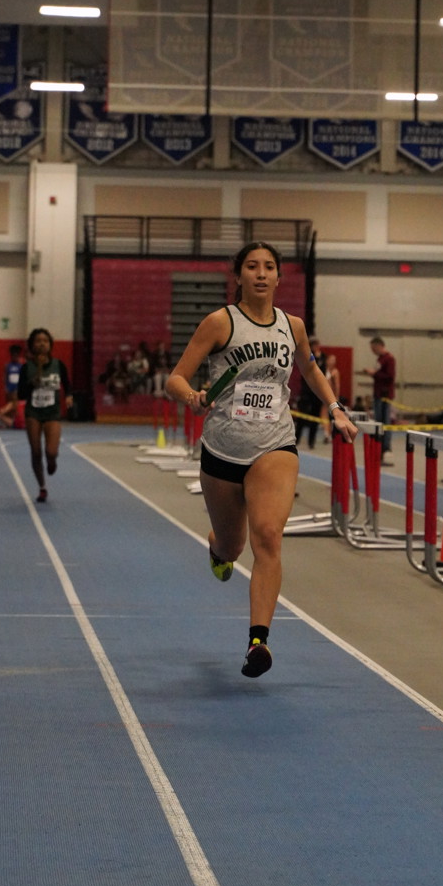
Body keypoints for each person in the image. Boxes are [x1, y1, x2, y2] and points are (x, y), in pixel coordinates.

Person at [165, 241, 357, 679]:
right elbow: (174, 378)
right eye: (252, 266)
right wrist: (191, 396)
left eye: (269, 266)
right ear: (238, 276)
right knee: (233, 546)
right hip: (222, 448)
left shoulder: (293, 326)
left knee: (268, 536)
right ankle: (218, 546)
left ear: (279, 277)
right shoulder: (220, 322)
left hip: (275, 444)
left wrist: (335, 408)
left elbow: (310, 368)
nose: (261, 273)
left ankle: (258, 641)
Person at [17, 327, 72, 502]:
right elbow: (20, 395)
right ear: (32, 345)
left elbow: (67, 384)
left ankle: (52, 461)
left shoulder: (58, 365)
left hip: (52, 412)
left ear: (50, 344)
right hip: (33, 412)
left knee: (51, 451)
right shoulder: (26, 368)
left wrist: (69, 396)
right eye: (38, 341)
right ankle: (42, 487)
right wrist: (32, 383)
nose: (42, 344)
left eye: (45, 341)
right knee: (36, 451)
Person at [360, 335, 396, 463]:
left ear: (379, 346)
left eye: (373, 349)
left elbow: (390, 376)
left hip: (385, 396)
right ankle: (379, 447)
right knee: (378, 422)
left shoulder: (389, 359)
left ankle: (386, 448)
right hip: (378, 394)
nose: (372, 351)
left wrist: (374, 373)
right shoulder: (380, 359)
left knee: (385, 422)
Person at [293, 336, 327, 448]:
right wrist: (315, 357)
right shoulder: (307, 355)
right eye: (314, 345)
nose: (317, 347)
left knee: (315, 417)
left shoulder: (323, 357)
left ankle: (311, 441)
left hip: (317, 392)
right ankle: (296, 439)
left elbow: (322, 372)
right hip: (306, 391)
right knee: (302, 417)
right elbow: (309, 369)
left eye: (317, 344)